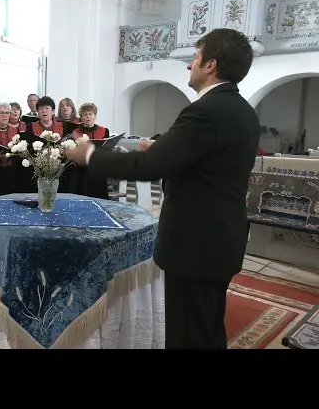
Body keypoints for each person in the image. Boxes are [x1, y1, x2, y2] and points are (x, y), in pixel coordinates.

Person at [66, 28, 261, 349]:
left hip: (196, 245)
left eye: (195, 58)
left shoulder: (205, 111)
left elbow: (148, 168)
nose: (189, 65)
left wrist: (89, 155)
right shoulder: (242, 111)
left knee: (188, 336)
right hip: (220, 239)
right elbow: (208, 159)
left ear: (211, 64)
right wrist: (160, 146)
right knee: (207, 330)